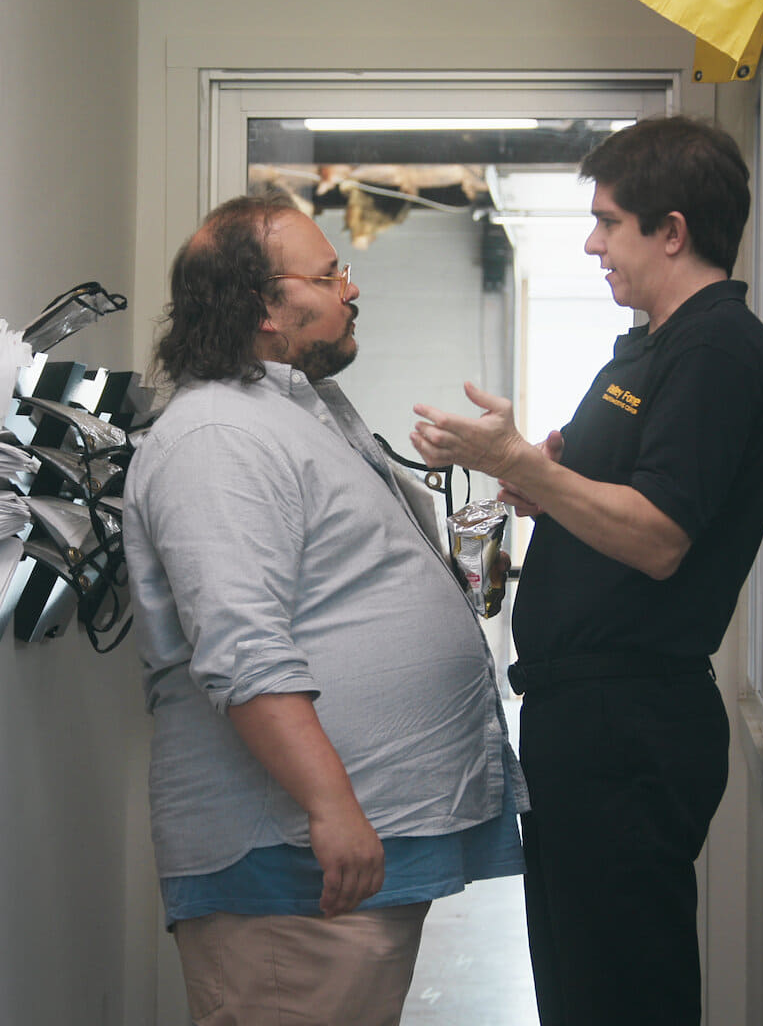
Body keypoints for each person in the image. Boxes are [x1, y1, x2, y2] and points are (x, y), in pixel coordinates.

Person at [123, 194, 527, 1026]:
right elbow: (242, 648)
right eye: (329, 274)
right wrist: (331, 806)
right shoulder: (216, 437)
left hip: (338, 855)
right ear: (265, 308)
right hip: (289, 868)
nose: (351, 289)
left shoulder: (290, 414)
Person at [409, 116, 763, 1025]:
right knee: (581, 988)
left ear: (672, 231)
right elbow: (606, 492)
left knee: (621, 995)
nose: (593, 243)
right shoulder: (648, 346)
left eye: (609, 222)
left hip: (630, 722)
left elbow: (658, 537)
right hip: (585, 719)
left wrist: (525, 468)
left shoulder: (715, 348)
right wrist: (531, 475)